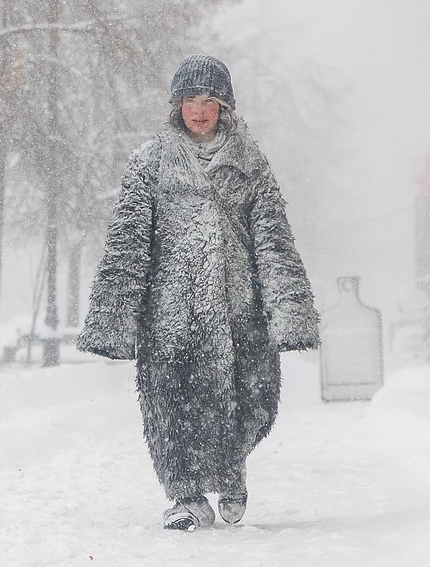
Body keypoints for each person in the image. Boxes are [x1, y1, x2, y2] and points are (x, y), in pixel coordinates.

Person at [77, 54, 320, 531]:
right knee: (171, 410)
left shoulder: (250, 163)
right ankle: (186, 498)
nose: (199, 110)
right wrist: (112, 319)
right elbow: (127, 243)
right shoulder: (149, 163)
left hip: (239, 313)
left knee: (254, 402)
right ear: (177, 106)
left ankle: (230, 473)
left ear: (225, 106)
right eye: (190, 99)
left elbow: (273, 239)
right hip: (170, 315)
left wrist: (288, 311)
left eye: (209, 100)